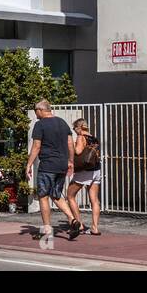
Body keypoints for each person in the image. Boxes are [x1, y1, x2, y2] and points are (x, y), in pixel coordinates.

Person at [25, 99, 81, 240]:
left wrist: (29, 164)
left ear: (41, 110)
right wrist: (71, 162)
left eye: (36, 111)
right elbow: (70, 144)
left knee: (43, 196)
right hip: (61, 165)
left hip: (48, 166)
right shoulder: (62, 123)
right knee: (56, 195)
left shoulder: (40, 125)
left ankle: (47, 230)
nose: (35, 113)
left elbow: (36, 146)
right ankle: (72, 219)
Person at [67, 118, 102, 236]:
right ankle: (95, 228)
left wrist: (72, 143)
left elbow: (78, 151)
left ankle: (80, 224)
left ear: (79, 127)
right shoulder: (93, 137)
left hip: (84, 171)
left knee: (70, 195)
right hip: (96, 170)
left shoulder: (81, 137)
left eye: (74, 128)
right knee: (94, 200)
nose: (74, 131)